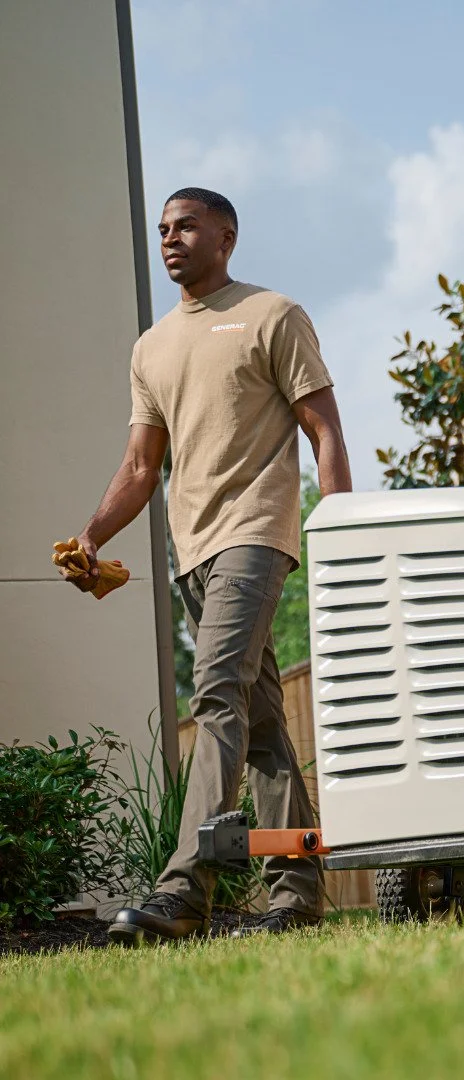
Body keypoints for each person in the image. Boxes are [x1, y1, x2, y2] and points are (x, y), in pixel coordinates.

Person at [67, 187, 352, 942]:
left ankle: (183, 891)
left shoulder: (271, 315)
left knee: (217, 692)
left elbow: (323, 428)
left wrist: (345, 523)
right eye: (163, 229)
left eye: (186, 225)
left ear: (226, 236)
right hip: (191, 550)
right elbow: (139, 466)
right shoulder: (151, 347)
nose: (170, 238)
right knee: (260, 726)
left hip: (256, 535)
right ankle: (297, 897)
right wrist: (93, 535)